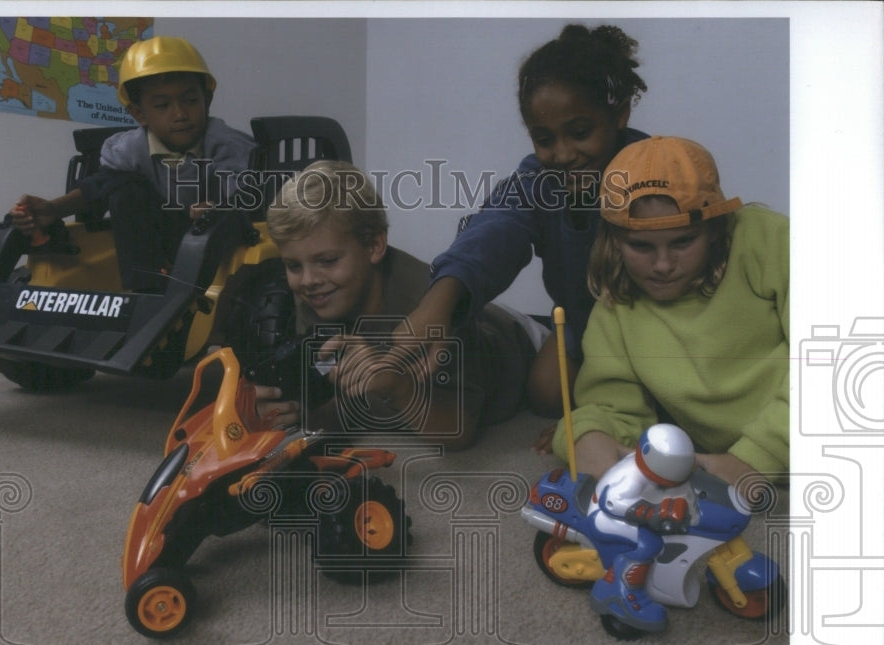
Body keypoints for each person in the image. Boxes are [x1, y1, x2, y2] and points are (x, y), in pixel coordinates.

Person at [404, 24, 649, 420]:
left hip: (653, 328)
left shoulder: (654, 170)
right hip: (580, 323)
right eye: (545, 139)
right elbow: (497, 227)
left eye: (580, 132)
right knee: (547, 396)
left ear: (619, 114)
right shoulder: (538, 179)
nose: (564, 153)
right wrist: (439, 303)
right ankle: (545, 342)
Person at [249, 160, 545, 450]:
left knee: (550, 391)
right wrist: (298, 411)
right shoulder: (315, 297)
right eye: (293, 266)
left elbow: (458, 430)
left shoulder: (434, 306)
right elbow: (341, 405)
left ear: (374, 246)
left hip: (519, 342)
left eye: (327, 261)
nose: (309, 280)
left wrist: (401, 389)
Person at [550, 136, 790, 493]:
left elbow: (834, 355)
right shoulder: (616, 306)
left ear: (714, 229)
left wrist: (755, 457)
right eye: (641, 246)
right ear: (615, 240)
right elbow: (612, 409)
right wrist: (587, 436)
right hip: (724, 461)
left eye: (682, 242)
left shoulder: (766, 239)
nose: (662, 265)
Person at [10, 36, 254, 291]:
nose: (180, 114)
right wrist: (54, 208)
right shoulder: (128, 148)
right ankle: (144, 292)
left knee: (227, 215)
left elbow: (244, 191)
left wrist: (216, 207)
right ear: (139, 114)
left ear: (207, 100)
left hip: (219, 238)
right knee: (123, 190)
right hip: (163, 236)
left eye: (191, 101)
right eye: (162, 105)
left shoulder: (226, 143)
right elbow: (102, 184)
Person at [586, 424, 700, 633]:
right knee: (649, 544)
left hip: (623, 511)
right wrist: (649, 513)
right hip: (603, 516)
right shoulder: (632, 475)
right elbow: (611, 502)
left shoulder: (651, 468)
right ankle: (617, 591)